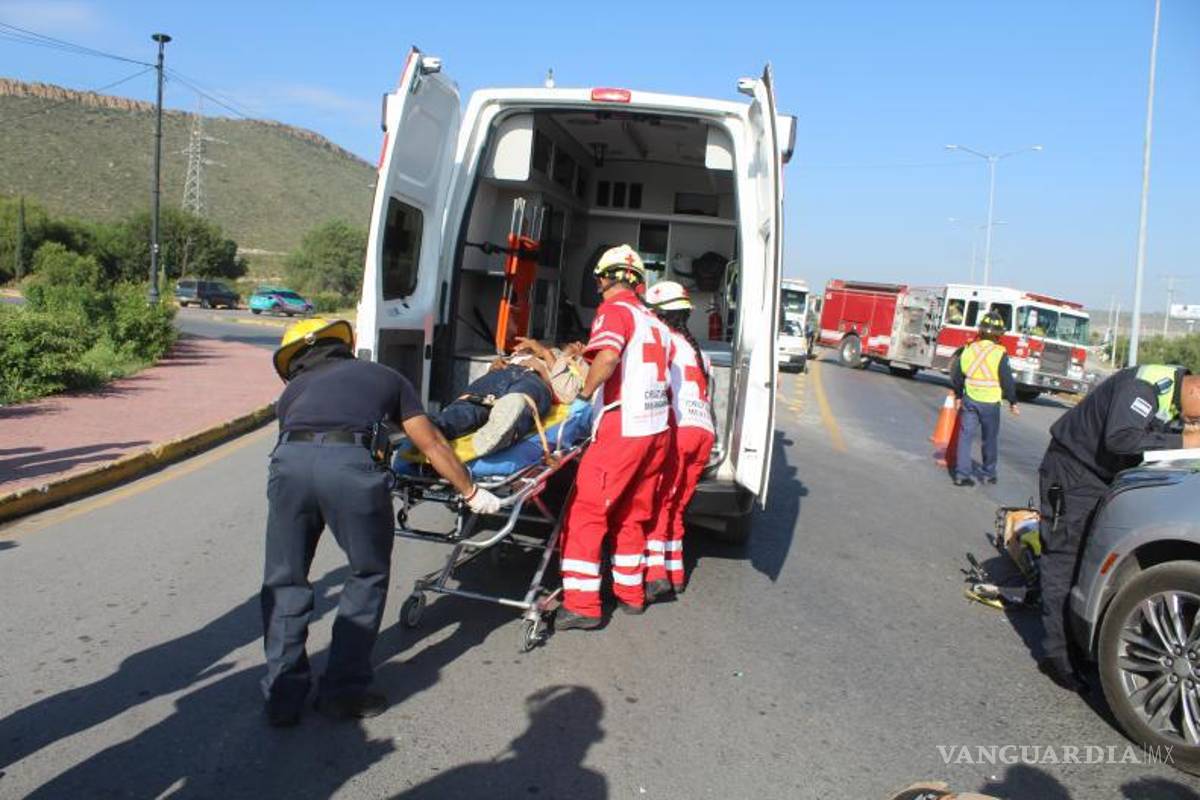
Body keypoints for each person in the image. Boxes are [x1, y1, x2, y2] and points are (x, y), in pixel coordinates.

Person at [261, 318, 500, 726]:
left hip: (288, 467)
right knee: (366, 574)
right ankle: (342, 691)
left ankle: (283, 695)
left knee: (286, 579)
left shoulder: (293, 393)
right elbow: (431, 442)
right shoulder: (383, 376)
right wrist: (472, 492)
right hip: (350, 469)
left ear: (296, 363)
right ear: (344, 347)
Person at [1036, 364, 1200, 691]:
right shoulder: (1146, 386)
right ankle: (1057, 657)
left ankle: (1077, 643)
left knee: (1085, 559)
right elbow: (1120, 439)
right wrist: (1185, 438)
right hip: (1070, 473)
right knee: (1063, 560)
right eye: (1197, 418)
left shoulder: (1171, 396)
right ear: (1196, 389)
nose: (1193, 424)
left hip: (1100, 479)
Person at [556, 245, 673, 629]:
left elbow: (607, 358)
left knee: (587, 511)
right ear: (639, 281)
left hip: (624, 426)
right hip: (657, 430)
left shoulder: (614, 311)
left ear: (605, 278)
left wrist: (584, 397)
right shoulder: (655, 322)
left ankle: (583, 605)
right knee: (633, 514)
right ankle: (630, 595)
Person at [641, 281, 716, 602]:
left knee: (661, 502)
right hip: (703, 433)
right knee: (677, 506)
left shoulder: (663, 343)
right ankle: (675, 571)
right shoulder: (698, 350)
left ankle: (656, 574)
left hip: (680, 431)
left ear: (658, 314)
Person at [428, 339, 588, 457]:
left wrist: (548, 354)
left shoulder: (575, 366)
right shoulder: (525, 352)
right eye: (574, 341)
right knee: (472, 403)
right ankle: (435, 427)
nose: (578, 343)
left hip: (534, 381)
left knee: (520, 402)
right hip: (501, 374)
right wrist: (494, 366)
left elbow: (567, 393)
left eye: (581, 344)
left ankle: (501, 430)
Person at [948, 311, 1018, 486]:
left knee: (965, 438)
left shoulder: (969, 348)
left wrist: (958, 395)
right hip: (990, 403)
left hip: (970, 399)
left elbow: (957, 375)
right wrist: (1013, 401)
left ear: (980, 330)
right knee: (989, 439)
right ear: (999, 334)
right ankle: (988, 473)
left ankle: (961, 475)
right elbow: (1007, 379)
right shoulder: (1000, 353)